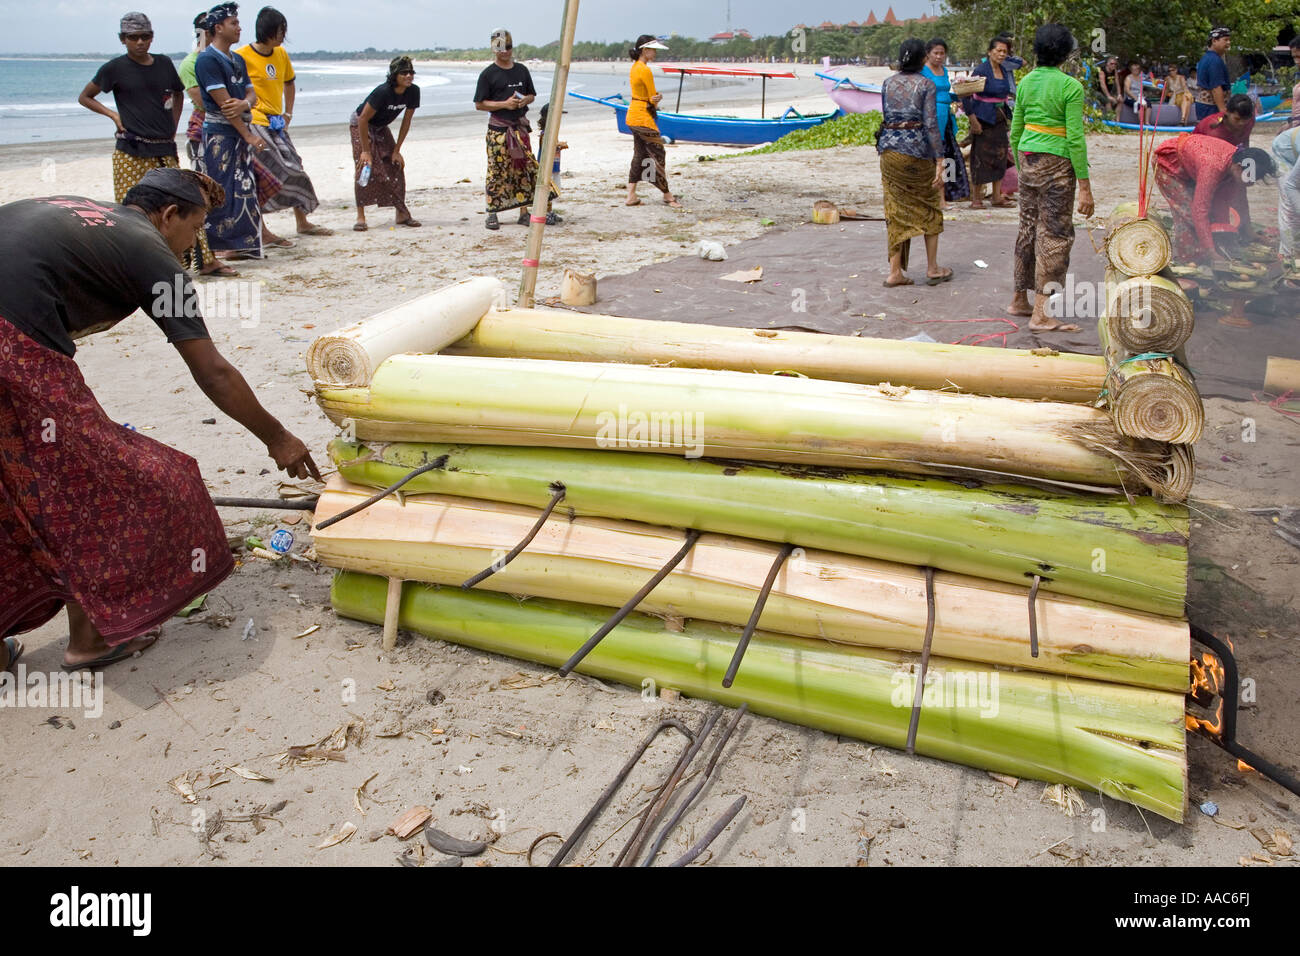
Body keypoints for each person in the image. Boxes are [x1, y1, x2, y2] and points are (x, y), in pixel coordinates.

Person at [0, 168, 319, 672]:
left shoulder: (86, 212)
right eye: (196, 229)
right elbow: (212, 370)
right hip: (11, 348)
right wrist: (277, 437)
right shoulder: (149, 251)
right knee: (108, 481)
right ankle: (92, 640)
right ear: (169, 216)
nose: (195, 244)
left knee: (10, 495)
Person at [77, 13, 228, 278]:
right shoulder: (114, 68)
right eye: (133, 37)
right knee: (130, 210)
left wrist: (173, 123)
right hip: (130, 150)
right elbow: (85, 97)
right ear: (123, 39)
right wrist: (113, 115)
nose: (139, 42)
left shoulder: (163, 64)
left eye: (145, 36)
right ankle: (135, 267)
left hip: (163, 147)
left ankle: (205, 261)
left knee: (186, 204)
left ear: (152, 37)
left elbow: (178, 93)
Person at [1007, 23, 1095, 332]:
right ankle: (1042, 313)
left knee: (1027, 227)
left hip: (1029, 159)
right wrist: (1085, 186)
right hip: (1057, 165)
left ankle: (1019, 298)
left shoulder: (1026, 82)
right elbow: (1075, 139)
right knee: (1055, 234)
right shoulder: (1070, 87)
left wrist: (1022, 166)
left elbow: (1015, 130)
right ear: (1066, 53)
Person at [238, 6, 333, 244]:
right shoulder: (241, 56)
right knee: (273, 169)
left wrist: (288, 113)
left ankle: (302, 222)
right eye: (281, 29)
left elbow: (289, 83)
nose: (284, 35)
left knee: (296, 165)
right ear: (269, 30)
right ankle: (262, 228)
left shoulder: (281, 54)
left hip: (276, 121)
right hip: (255, 120)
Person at [194, 2, 269, 259]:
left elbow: (251, 95)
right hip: (220, 134)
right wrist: (248, 134)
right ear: (218, 28)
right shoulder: (207, 60)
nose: (239, 28)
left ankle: (242, 246)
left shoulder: (237, 59)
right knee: (220, 189)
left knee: (244, 188)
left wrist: (245, 103)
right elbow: (226, 107)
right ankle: (217, 249)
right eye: (233, 23)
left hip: (239, 132)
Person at [877, 38, 950, 287]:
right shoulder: (926, 84)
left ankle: (895, 272)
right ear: (923, 59)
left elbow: (888, 116)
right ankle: (932, 268)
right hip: (917, 152)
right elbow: (930, 124)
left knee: (895, 210)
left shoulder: (888, 83)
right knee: (929, 206)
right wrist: (940, 159)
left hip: (888, 152)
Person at [474, 28, 552, 230]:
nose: (505, 52)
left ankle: (524, 212)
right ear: (493, 49)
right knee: (496, 171)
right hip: (499, 130)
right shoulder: (488, 74)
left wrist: (526, 99)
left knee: (523, 170)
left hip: (519, 128)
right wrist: (504, 104)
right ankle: (492, 212)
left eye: (508, 47)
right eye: (500, 48)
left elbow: (532, 95)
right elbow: (480, 104)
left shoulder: (522, 70)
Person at [1154, 135, 1274, 262]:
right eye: (1250, 178)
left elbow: (1223, 201)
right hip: (1169, 163)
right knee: (1188, 212)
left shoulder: (1234, 164)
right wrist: (1211, 252)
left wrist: (1226, 234)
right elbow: (1199, 211)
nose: (1251, 184)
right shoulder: (1212, 168)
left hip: (1192, 163)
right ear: (1239, 167)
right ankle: (1191, 258)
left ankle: (1211, 248)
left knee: (1207, 214)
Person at [350, 55, 421, 231]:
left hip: (381, 126)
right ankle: (361, 216)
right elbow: (363, 119)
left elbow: (406, 122)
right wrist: (366, 151)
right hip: (360, 123)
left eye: (411, 72)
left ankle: (401, 213)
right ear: (395, 75)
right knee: (365, 167)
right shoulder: (383, 92)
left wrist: (397, 150)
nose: (409, 76)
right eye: (404, 73)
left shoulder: (413, 91)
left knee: (395, 164)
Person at [625, 35, 681, 210]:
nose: (655, 53)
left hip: (632, 115)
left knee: (640, 155)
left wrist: (654, 98)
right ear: (644, 50)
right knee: (658, 155)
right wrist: (658, 98)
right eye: (653, 49)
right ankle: (667, 195)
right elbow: (652, 99)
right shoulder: (645, 70)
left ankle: (631, 195)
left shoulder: (635, 68)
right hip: (643, 118)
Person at [963, 36, 1016, 209]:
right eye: (998, 51)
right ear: (990, 52)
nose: (1001, 54)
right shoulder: (981, 70)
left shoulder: (1003, 70)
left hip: (1000, 118)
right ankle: (976, 198)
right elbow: (965, 94)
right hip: (983, 119)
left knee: (1000, 157)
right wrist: (973, 120)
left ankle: (997, 196)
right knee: (980, 158)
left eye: (1004, 52)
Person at [922, 37, 970, 206]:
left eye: (942, 53)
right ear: (928, 54)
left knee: (947, 158)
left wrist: (958, 96)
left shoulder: (943, 70)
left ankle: (945, 196)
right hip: (932, 116)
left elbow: (945, 95)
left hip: (946, 117)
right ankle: (936, 197)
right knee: (935, 157)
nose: (939, 56)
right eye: (936, 53)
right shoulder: (923, 71)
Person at [1269, 125, 1300, 267]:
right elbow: (1290, 186)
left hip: (1296, 152)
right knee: (1290, 208)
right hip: (1283, 155)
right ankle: (1289, 257)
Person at [1195, 27, 1233, 123]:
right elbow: (1216, 88)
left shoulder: (1207, 57)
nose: (1228, 43)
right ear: (1214, 41)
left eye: (1229, 40)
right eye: (1225, 40)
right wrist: (1222, 111)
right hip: (1211, 108)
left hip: (1204, 107)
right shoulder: (1214, 61)